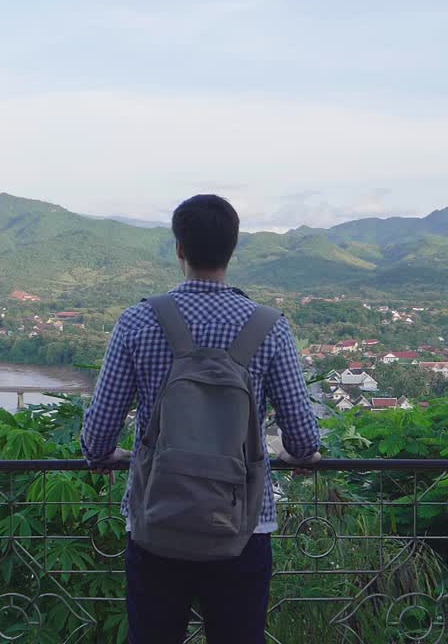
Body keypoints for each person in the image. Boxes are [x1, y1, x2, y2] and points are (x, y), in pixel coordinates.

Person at [81, 194, 322, 643]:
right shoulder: (270, 327)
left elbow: (97, 438)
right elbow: (304, 439)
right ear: (233, 249)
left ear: (179, 249)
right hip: (243, 524)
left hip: (157, 520)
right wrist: (297, 455)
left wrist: (112, 454)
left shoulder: (137, 321)